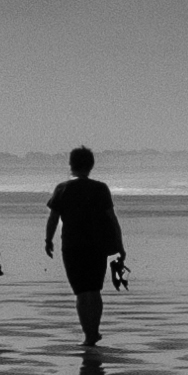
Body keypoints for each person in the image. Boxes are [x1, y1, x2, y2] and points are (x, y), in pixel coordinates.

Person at [41, 145, 126, 345]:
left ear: (71, 165)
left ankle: (88, 334)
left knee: (81, 292)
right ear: (91, 165)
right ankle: (94, 331)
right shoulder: (100, 188)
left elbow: (53, 218)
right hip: (97, 246)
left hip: (72, 246)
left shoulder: (62, 188)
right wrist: (120, 245)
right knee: (94, 291)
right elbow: (112, 218)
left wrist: (48, 240)